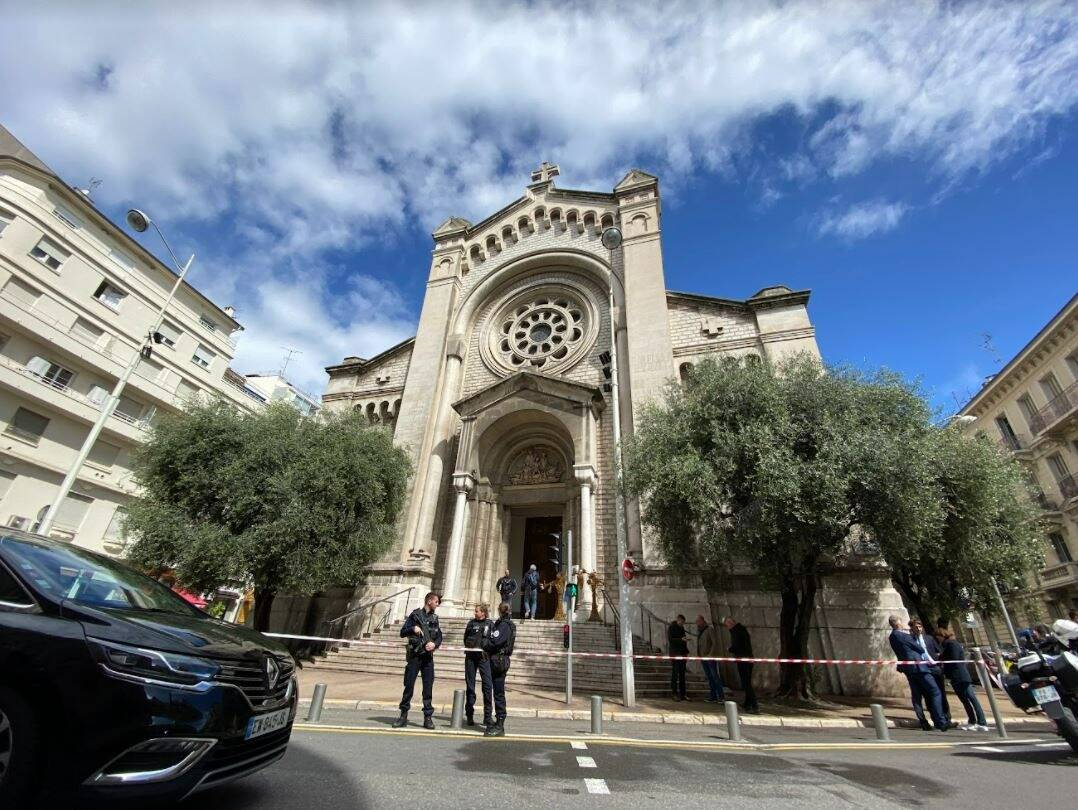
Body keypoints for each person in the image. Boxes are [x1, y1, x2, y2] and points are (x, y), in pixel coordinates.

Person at [887, 615, 950, 732]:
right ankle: (940, 721)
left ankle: (923, 721)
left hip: (908, 670)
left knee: (916, 697)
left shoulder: (892, 637)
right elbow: (920, 649)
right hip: (919, 667)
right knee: (935, 692)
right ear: (898, 623)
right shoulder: (904, 636)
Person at [392, 592, 443, 729]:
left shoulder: (434, 618)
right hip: (415, 656)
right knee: (409, 686)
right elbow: (402, 632)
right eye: (436, 602)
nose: (437, 605)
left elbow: (439, 637)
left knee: (428, 688)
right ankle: (403, 715)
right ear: (429, 601)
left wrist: (434, 645)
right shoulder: (415, 616)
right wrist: (412, 628)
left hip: (427, 658)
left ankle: (428, 717)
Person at [935, 627, 987, 731]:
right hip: (957, 676)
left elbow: (953, 659)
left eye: (938, 637)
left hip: (959, 675)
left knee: (971, 698)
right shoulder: (950, 644)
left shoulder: (951, 644)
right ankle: (972, 721)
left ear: (941, 635)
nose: (938, 639)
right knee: (965, 700)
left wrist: (942, 658)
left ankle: (981, 722)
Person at [482, 601, 516, 736]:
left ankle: (500, 724)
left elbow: (495, 641)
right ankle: (498, 721)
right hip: (497, 659)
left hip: (499, 661)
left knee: (498, 692)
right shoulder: (505, 624)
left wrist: (485, 643)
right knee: (497, 691)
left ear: (500, 611)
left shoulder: (504, 625)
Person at [910, 618, 951, 724]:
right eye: (916, 627)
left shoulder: (929, 638)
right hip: (923, 669)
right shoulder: (911, 640)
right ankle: (935, 718)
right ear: (912, 628)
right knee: (928, 694)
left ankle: (947, 717)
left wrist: (938, 661)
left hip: (934, 668)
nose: (918, 628)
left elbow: (939, 651)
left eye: (920, 626)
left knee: (941, 693)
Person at [463, 603, 494, 728]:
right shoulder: (471, 623)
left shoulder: (490, 624)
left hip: (484, 658)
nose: (475, 613)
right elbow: (465, 638)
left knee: (487, 686)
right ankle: (469, 715)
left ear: (483, 613)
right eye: (475, 611)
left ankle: (488, 717)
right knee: (470, 686)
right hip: (470, 657)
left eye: (477, 611)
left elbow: (493, 641)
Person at [724, 616, 758, 713]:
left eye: (727, 625)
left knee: (746, 683)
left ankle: (755, 705)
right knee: (747, 682)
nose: (727, 628)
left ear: (731, 623)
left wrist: (729, 649)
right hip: (748, 658)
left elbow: (737, 646)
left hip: (743, 660)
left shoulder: (736, 632)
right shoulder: (742, 630)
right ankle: (747, 703)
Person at [696, 615, 724, 703]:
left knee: (715, 676)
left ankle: (721, 696)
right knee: (710, 677)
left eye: (698, 621)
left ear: (703, 621)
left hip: (710, 657)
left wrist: (711, 654)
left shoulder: (709, 630)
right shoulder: (700, 631)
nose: (697, 623)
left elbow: (714, 643)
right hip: (703, 657)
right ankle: (713, 696)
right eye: (696, 622)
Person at [667, 614, 689, 701]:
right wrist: (681, 640)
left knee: (682, 674)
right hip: (675, 653)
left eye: (683, 623)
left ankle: (683, 694)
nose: (682, 624)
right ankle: (674, 693)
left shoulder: (682, 628)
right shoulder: (672, 627)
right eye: (682, 622)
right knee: (675, 673)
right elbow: (671, 640)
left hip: (682, 653)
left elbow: (683, 640)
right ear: (678, 620)